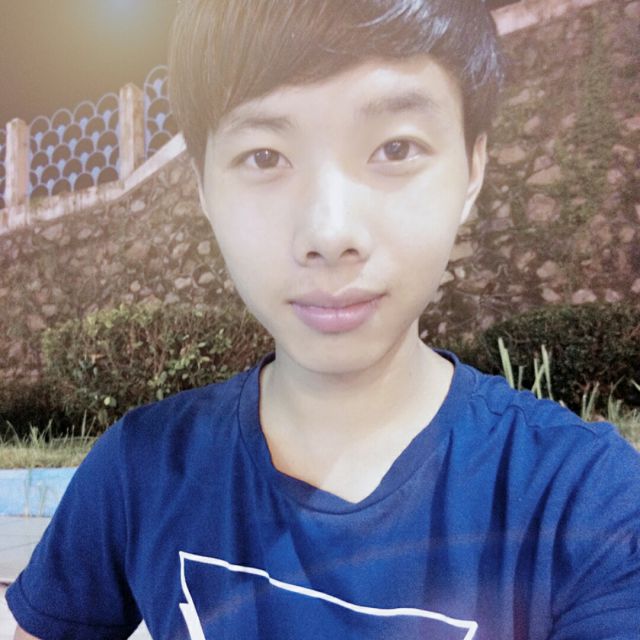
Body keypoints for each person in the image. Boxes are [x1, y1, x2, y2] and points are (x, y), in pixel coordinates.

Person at [8, 1, 640, 638]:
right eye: (264, 157)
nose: (330, 233)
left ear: (473, 170)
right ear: (202, 188)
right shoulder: (139, 470)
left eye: (396, 147)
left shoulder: (584, 503)